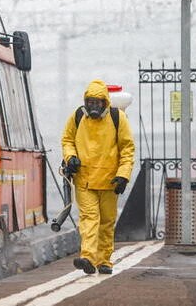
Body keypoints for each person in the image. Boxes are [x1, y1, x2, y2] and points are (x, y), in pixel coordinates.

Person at [61, 79, 135, 275]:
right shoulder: (77, 117)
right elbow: (67, 140)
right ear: (85, 101)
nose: (93, 106)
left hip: (109, 181)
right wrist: (71, 157)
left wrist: (123, 176)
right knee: (89, 218)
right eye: (90, 102)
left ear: (105, 102)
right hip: (84, 180)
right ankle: (88, 257)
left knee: (107, 222)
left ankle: (104, 261)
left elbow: (127, 149)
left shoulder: (117, 118)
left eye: (97, 102)